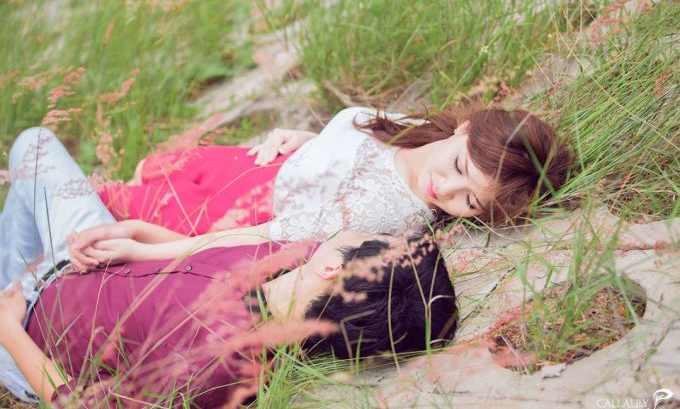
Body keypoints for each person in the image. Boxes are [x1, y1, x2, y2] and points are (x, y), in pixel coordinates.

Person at [0, 127, 458, 407]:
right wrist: (136, 238)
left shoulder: (221, 367)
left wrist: (10, 329)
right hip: (91, 255)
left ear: (333, 270)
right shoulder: (298, 261)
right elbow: (198, 255)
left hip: (33, 333)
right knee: (34, 144)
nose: (355, 231)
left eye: (367, 238)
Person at [68, 104, 572, 270]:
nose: (445, 188)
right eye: (460, 165)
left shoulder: (386, 210)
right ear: (465, 128)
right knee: (147, 166)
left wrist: (146, 249)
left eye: (470, 201)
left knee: (109, 199)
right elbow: (360, 148)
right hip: (258, 163)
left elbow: (262, 238)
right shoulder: (424, 130)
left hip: (236, 211)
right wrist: (311, 142)